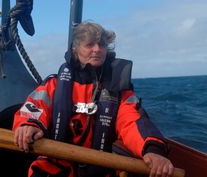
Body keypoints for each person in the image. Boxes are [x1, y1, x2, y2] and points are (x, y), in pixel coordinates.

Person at [13, 21, 174, 177]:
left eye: (102, 45)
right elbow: (33, 107)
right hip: (54, 167)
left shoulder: (119, 90)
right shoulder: (53, 85)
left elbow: (132, 121)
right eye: (90, 45)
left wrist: (152, 149)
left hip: (100, 169)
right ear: (76, 49)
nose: (97, 49)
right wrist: (28, 125)